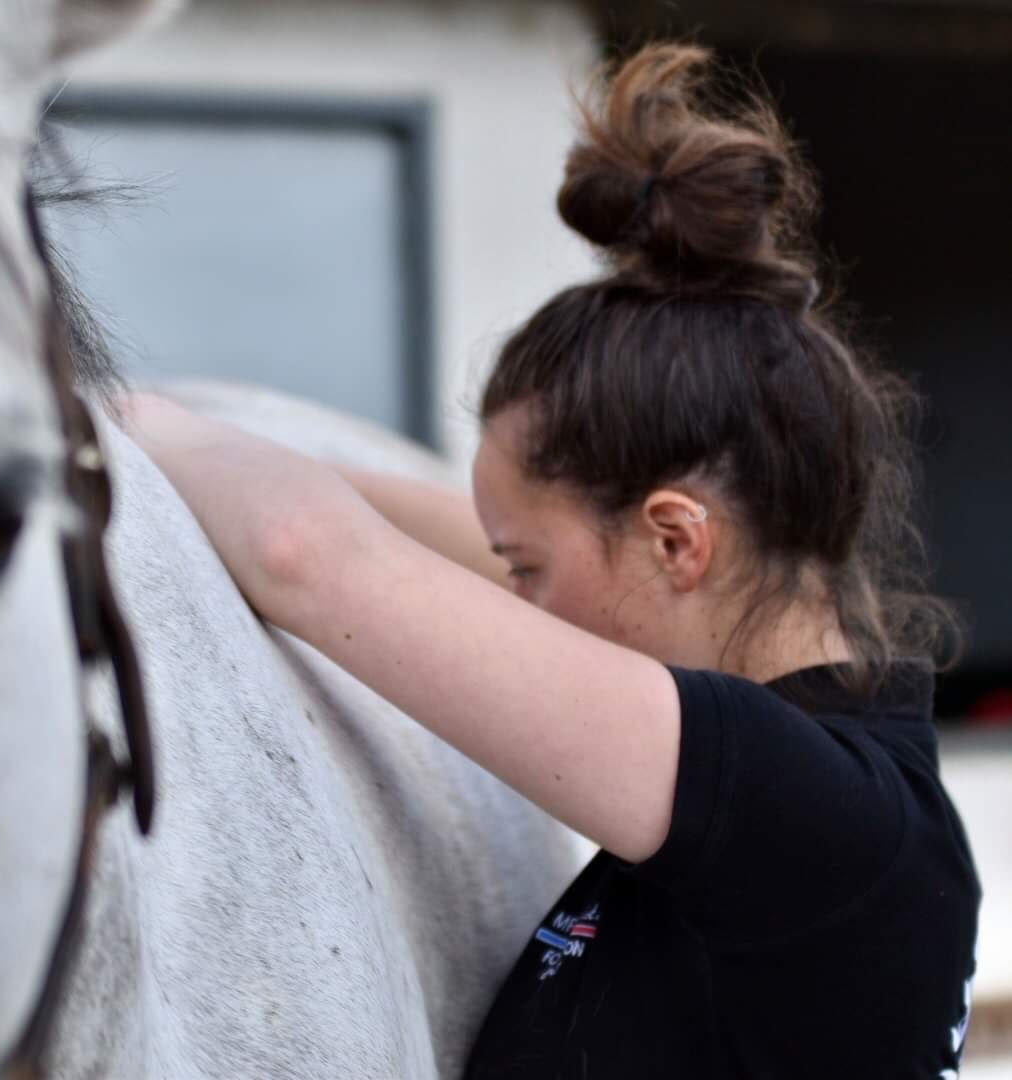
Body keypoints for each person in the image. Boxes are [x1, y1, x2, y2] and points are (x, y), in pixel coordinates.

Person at [123, 44, 980, 1079]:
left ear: (676, 540)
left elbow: (306, 553)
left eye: (527, 569)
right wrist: (229, 435)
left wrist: (91, 406)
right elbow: (389, 530)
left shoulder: (799, 810)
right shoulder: (822, 783)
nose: (513, 602)